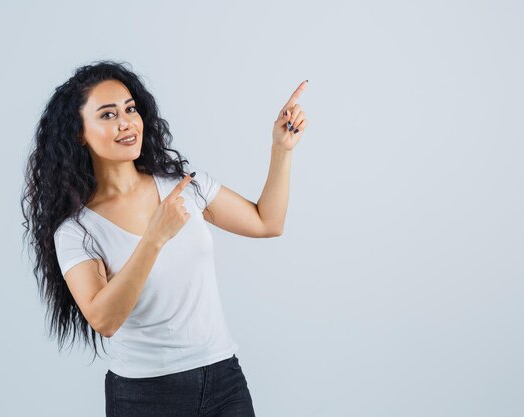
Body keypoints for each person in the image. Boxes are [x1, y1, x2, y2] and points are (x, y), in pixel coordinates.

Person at [20, 60, 308, 417]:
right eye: (108, 115)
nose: (126, 122)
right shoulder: (78, 231)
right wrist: (154, 238)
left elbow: (268, 222)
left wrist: (282, 149)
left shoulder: (187, 185)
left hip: (223, 380)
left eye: (130, 109)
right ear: (79, 133)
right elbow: (104, 320)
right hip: (145, 395)